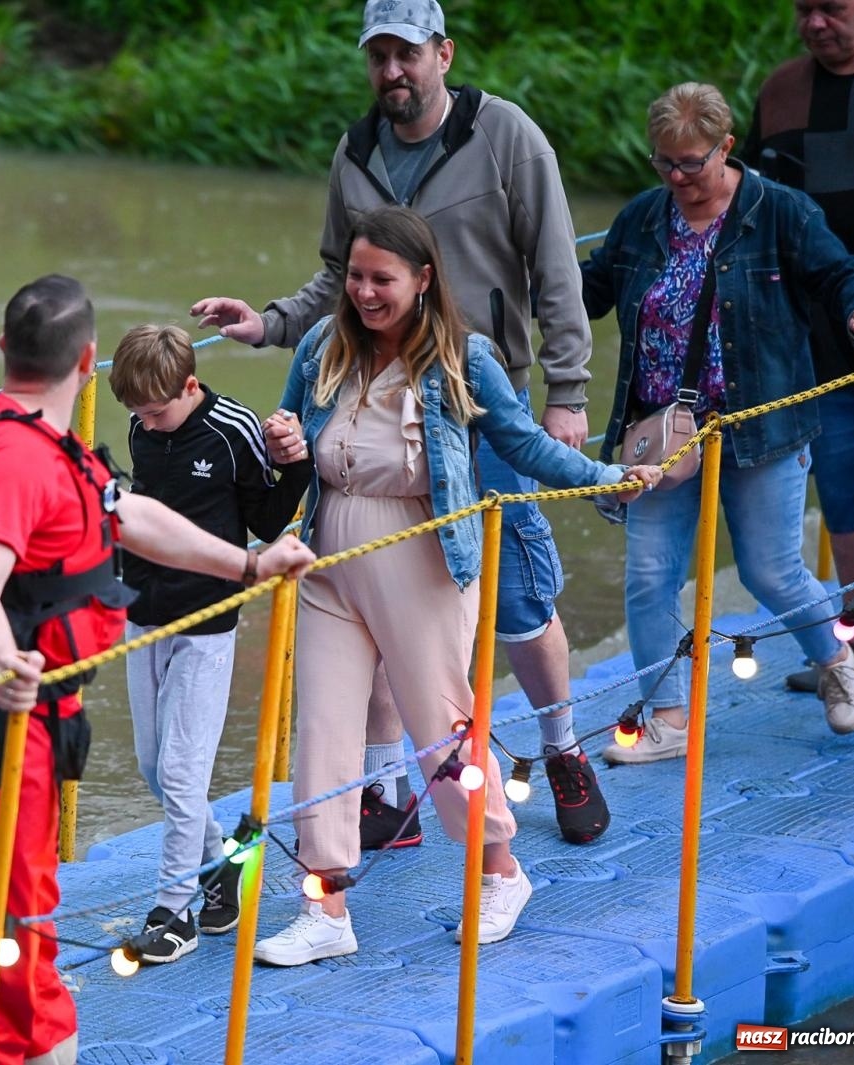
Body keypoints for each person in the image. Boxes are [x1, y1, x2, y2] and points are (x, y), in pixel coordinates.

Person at [189, 0, 612, 846]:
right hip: (380, 405)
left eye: (406, 54)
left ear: (442, 54)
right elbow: (339, 282)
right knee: (375, 591)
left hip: (481, 400)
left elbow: (555, 269)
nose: (391, 71)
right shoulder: (356, 153)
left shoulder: (507, 137)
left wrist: (567, 391)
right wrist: (266, 323)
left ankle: (562, 748)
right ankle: (386, 789)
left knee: (519, 597)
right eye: (378, 56)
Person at [0, 275, 314, 1065]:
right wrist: (5, 664)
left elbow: (131, 513)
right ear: (89, 361)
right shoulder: (18, 458)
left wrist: (249, 564)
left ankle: (1, 1038)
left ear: (3, 348)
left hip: (3, 712)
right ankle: (16, 1045)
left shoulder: (22, 437)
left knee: (3, 900)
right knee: (1, 906)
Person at [256, 208, 661, 965]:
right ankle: (325, 908)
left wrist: (606, 475)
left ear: (423, 279)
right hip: (328, 560)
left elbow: (524, 445)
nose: (365, 292)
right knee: (323, 733)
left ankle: (500, 872)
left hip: (423, 561)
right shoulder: (319, 346)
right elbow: (296, 444)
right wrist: (285, 444)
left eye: (382, 279)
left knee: (442, 733)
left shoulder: (463, 359)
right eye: (355, 277)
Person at [581, 83, 854, 764]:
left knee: (770, 569)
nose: (677, 178)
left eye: (691, 162)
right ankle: (668, 719)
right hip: (663, 430)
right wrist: (530, 286)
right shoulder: (642, 218)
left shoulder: (779, 210)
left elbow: (838, 273)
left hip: (760, 424)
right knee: (649, 575)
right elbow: (591, 287)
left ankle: (834, 659)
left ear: (726, 147)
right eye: (663, 162)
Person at [107, 323, 313, 963]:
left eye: (156, 411)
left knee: (181, 770)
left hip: (207, 619)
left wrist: (295, 463)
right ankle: (221, 864)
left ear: (190, 385)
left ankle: (176, 913)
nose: (147, 423)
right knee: (152, 766)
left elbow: (268, 520)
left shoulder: (233, 429)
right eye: (138, 414)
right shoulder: (142, 427)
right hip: (145, 612)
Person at [742, 0, 854, 691]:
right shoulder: (782, 90)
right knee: (847, 495)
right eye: (804, 9)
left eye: (830, 8)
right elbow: (750, 205)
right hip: (828, 344)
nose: (815, 23)